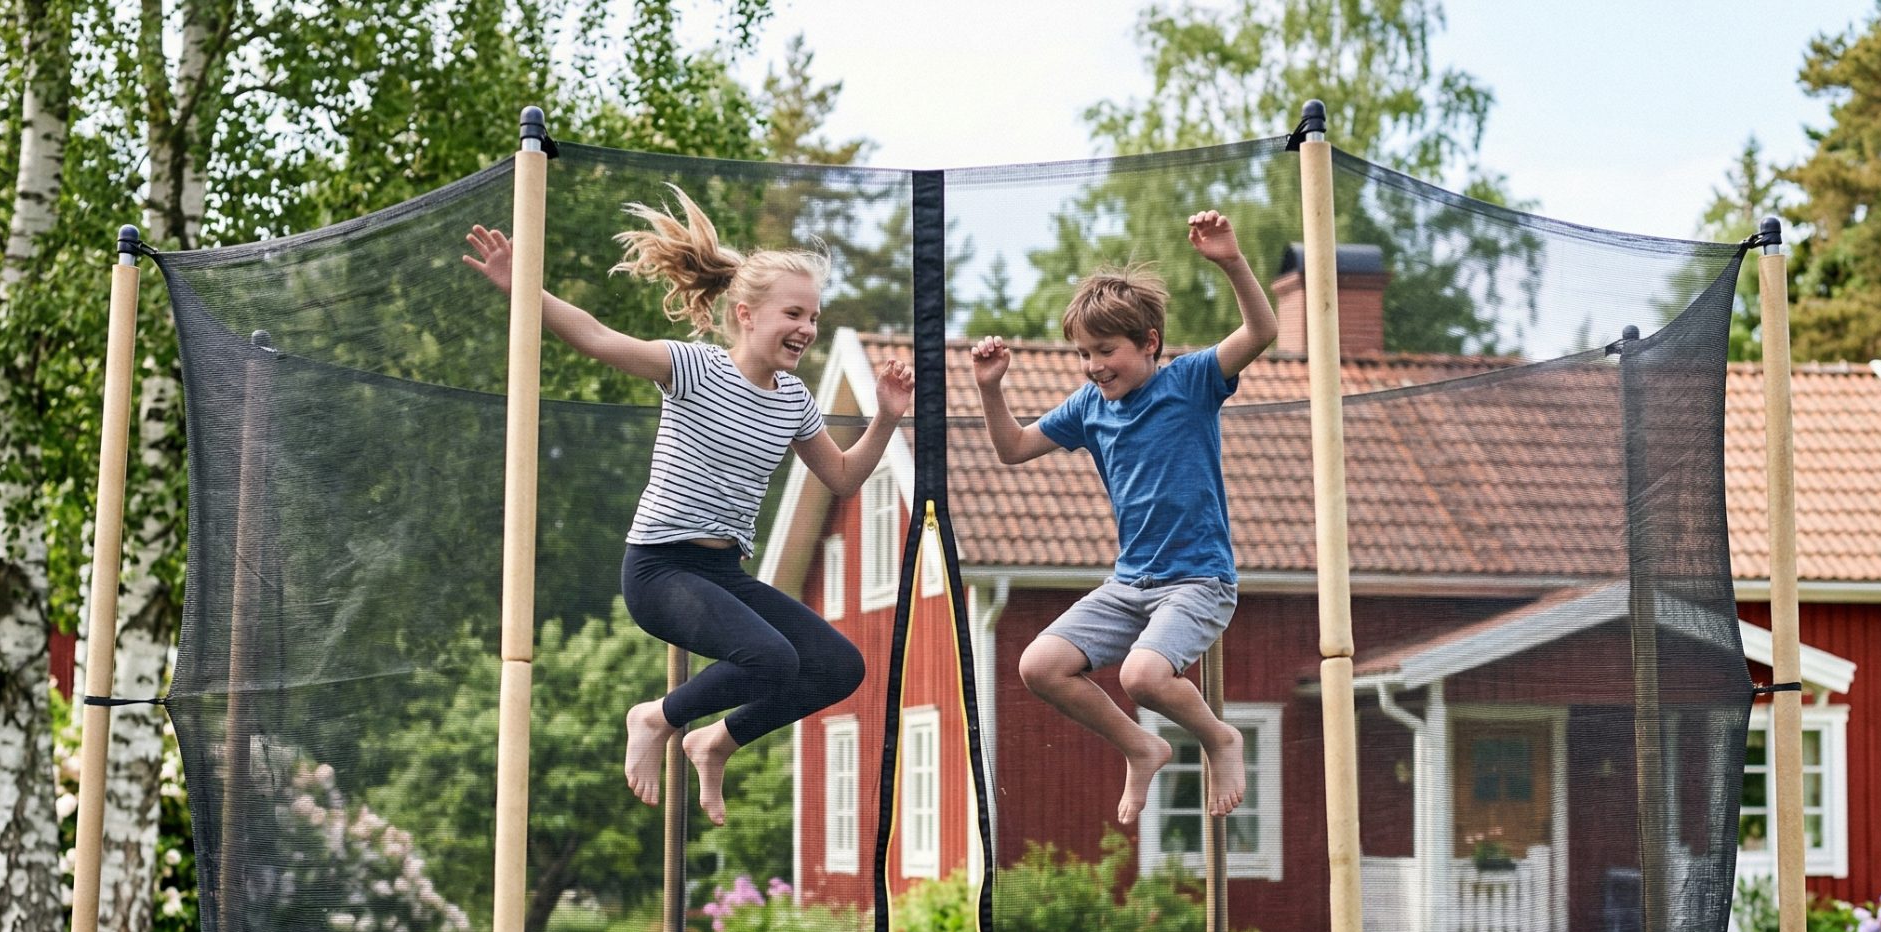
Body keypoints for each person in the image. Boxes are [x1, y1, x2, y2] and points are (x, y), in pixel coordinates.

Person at [463, 186, 914, 826]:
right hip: (659, 570)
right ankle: (655, 716)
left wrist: (887, 418)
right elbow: (596, 338)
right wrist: (520, 288)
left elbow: (842, 477)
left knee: (838, 666)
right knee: (771, 658)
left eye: (813, 318)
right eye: (793, 314)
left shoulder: (793, 400)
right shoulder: (693, 368)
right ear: (746, 314)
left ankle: (716, 740)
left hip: (723, 573)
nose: (806, 330)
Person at [970, 210, 1277, 826]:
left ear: (1150, 343)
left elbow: (1261, 331)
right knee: (1039, 665)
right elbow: (1013, 449)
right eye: (1084, 354)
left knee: (1142, 675)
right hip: (1131, 582)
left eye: (1106, 351)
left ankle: (1221, 739)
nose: (1093, 365)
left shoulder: (1192, 381)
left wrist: (1229, 261)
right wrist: (990, 389)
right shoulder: (1090, 405)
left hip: (1198, 580)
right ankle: (1141, 746)